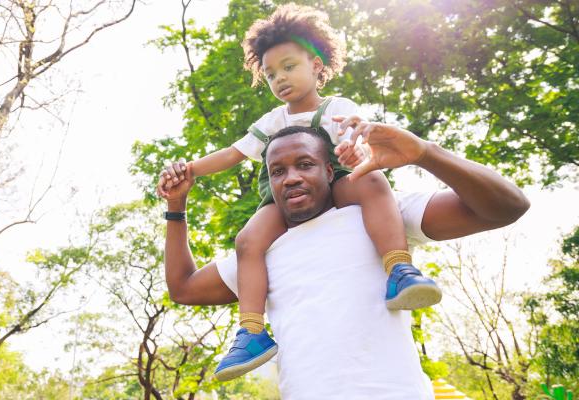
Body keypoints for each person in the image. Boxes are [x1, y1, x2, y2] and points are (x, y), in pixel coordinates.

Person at [158, 4, 440, 380]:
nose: (280, 79)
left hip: (338, 179)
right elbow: (232, 154)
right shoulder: (272, 122)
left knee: (373, 182)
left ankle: (399, 268)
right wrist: (187, 170)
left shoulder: (336, 108)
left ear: (317, 65)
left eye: (289, 67)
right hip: (286, 199)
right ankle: (252, 330)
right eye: (271, 74)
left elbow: (360, 141)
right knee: (247, 241)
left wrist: (358, 151)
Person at [160, 121, 530, 398]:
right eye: (278, 171)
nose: (290, 178)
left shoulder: (381, 218)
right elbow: (183, 287)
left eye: (304, 164)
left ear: (328, 170)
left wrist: (424, 153)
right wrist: (176, 207)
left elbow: (507, 206)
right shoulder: (261, 251)